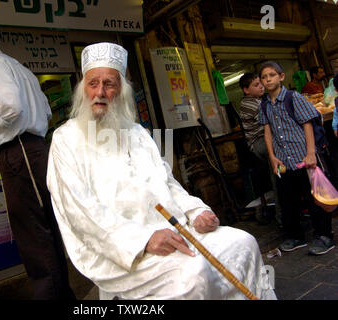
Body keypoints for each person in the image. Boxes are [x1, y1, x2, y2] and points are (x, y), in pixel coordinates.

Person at [46, 42, 276, 300]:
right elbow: (80, 211)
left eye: (109, 84)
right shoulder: (65, 139)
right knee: (192, 274)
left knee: (243, 243)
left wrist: (195, 210)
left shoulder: (139, 134)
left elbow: (168, 183)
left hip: (173, 229)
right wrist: (143, 240)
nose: (100, 92)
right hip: (122, 250)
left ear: (121, 90)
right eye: (93, 83)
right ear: (82, 89)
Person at [0, 17, 74, 300]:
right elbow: (45, 113)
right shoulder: (19, 68)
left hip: (19, 153)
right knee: (46, 229)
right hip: (34, 150)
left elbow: (11, 107)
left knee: (32, 233)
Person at [259, 61, 335, 255]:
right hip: (283, 161)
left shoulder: (294, 98)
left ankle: (324, 236)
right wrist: (272, 157)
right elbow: (267, 132)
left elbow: (307, 124)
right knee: (288, 200)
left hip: (302, 157)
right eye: (264, 77)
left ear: (281, 77)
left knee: (313, 198)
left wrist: (311, 153)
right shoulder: (265, 104)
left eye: (272, 75)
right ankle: (295, 236)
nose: (268, 79)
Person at [238, 73, 282, 226]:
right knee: (278, 174)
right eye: (256, 85)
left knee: (281, 172)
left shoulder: (260, 100)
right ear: (246, 90)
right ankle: (283, 217)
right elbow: (272, 119)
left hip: (267, 139)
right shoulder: (250, 103)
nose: (261, 86)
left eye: (260, 83)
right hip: (259, 143)